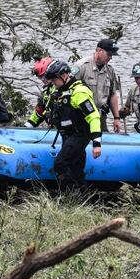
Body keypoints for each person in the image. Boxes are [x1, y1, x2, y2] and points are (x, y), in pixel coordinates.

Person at [43, 59, 102, 190]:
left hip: (79, 134)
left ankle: (70, 195)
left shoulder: (79, 92)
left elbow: (94, 116)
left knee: (60, 164)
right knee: (76, 169)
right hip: (67, 134)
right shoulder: (60, 91)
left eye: (54, 80)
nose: (52, 83)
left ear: (64, 76)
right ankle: (82, 197)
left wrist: (96, 143)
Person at [76, 38, 123, 133]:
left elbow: (113, 95)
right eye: (108, 54)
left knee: (104, 140)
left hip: (100, 115)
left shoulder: (110, 70)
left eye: (112, 55)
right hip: (81, 115)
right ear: (99, 51)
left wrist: (116, 118)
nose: (110, 58)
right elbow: (69, 91)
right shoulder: (81, 66)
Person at [119, 62, 140, 133]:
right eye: (136, 78)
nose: (139, 80)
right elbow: (128, 108)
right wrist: (123, 112)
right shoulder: (133, 90)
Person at [26, 56, 57, 128]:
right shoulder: (46, 93)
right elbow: (39, 113)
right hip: (54, 130)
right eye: (40, 77)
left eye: (44, 76)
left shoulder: (68, 89)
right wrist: (27, 127)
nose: (43, 80)